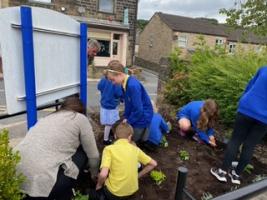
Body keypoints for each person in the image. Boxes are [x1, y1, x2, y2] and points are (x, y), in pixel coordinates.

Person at [15, 97, 100, 200]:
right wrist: (94, 174)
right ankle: (69, 190)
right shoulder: (79, 118)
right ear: (80, 110)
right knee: (83, 152)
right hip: (45, 185)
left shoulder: (46, 118)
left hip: (17, 178)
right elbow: (93, 155)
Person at [211, 66, 267, 185]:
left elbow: (250, 86)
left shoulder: (264, 69)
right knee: (250, 146)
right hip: (264, 119)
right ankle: (236, 175)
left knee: (235, 140)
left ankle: (222, 172)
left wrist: (244, 99)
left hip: (247, 108)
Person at [93, 122, 157, 200]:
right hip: (132, 190)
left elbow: (103, 174)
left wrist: (99, 185)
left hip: (114, 192)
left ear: (115, 136)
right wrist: (137, 176)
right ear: (130, 137)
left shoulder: (109, 149)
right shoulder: (135, 149)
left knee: (94, 193)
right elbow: (153, 164)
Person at [106, 60, 153, 144]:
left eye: (113, 80)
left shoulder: (132, 86)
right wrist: (126, 117)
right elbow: (129, 104)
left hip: (142, 117)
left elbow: (138, 110)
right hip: (136, 115)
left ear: (120, 74)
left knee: (132, 140)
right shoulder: (124, 83)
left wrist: (128, 121)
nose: (112, 83)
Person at [97, 74, 123, 145]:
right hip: (112, 105)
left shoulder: (103, 78)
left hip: (104, 103)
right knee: (109, 123)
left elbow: (99, 87)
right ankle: (106, 139)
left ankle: (109, 131)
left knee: (108, 122)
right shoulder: (116, 81)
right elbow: (118, 93)